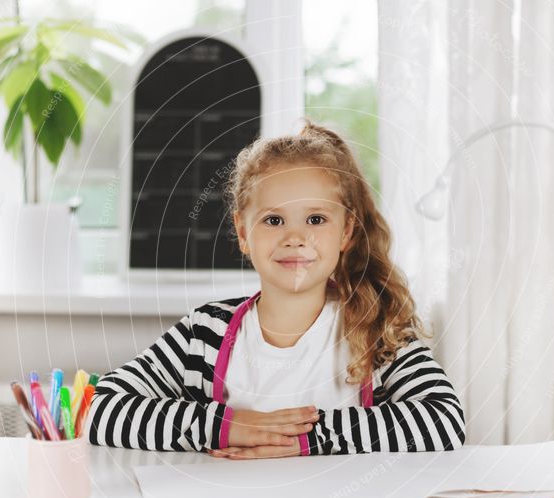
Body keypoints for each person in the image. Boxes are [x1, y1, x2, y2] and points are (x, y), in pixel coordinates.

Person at [86, 119, 465, 459]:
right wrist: (233, 426)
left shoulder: (378, 328)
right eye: (273, 220)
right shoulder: (204, 332)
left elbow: (444, 420)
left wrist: (301, 440)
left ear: (346, 231)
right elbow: (101, 409)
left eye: (316, 219)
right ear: (242, 232)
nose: (295, 237)